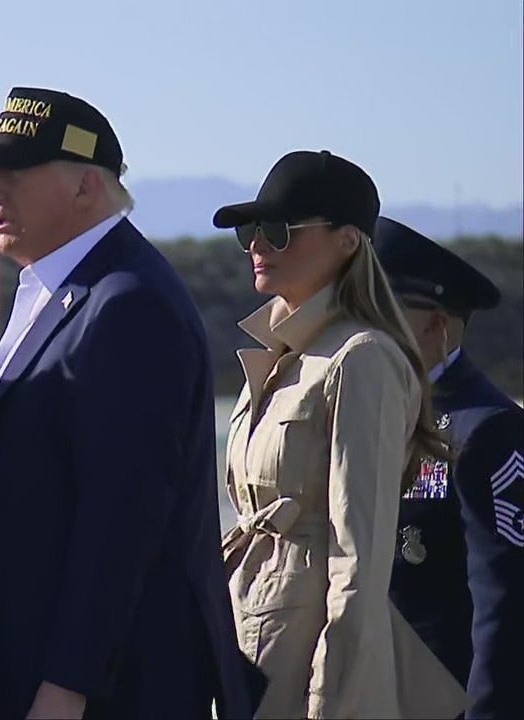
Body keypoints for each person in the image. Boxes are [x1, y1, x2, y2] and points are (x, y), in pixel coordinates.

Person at [0, 86, 258, 720]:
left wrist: (67, 685)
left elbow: (124, 515)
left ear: (87, 186)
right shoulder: (62, 290)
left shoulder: (127, 303)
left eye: (13, 172)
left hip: (110, 689)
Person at [213, 150, 468, 719]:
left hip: (306, 668)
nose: (257, 244)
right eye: (250, 231)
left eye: (279, 230)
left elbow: (360, 557)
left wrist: (331, 700)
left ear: (348, 241)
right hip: (247, 640)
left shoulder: (363, 359)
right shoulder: (280, 355)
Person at [374, 216, 523, 719]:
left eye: (382, 312)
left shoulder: (487, 429)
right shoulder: (380, 409)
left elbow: (504, 604)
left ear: (436, 325)